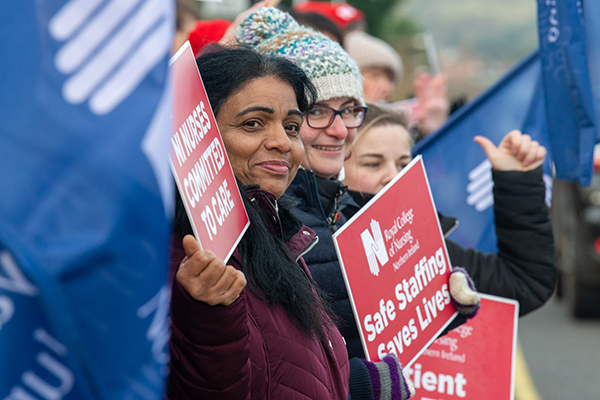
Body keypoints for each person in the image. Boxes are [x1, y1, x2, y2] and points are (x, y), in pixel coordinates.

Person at [237, 9, 480, 400]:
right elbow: (266, 371)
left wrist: (437, 306)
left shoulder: (355, 207)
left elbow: (372, 333)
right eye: (317, 111)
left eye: (350, 109)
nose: (338, 129)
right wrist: (362, 383)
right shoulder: (260, 220)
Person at [167, 47, 350, 399]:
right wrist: (207, 315)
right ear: (198, 132)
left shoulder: (280, 236)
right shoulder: (179, 256)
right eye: (253, 124)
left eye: (292, 127)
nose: (282, 142)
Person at [342, 102, 556, 327]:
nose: (393, 176)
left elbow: (523, 283)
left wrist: (516, 181)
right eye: (373, 164)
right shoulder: (315, 246)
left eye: (403, 164)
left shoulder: (422, 248)